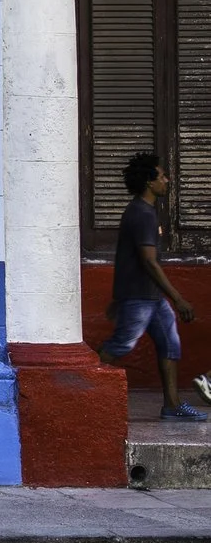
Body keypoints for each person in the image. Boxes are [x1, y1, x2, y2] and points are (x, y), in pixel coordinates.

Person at [98, 151, 206, 421]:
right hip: (139, 298)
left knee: (170, 344)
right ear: (149, 182)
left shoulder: (143, 211)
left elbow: (127, 257)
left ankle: (172, 406)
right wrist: (178, 298)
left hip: (150, 297)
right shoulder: (142, 214)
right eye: (162, 176)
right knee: (121, 345)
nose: (167, 180)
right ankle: (81, 387)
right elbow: (149, 262)